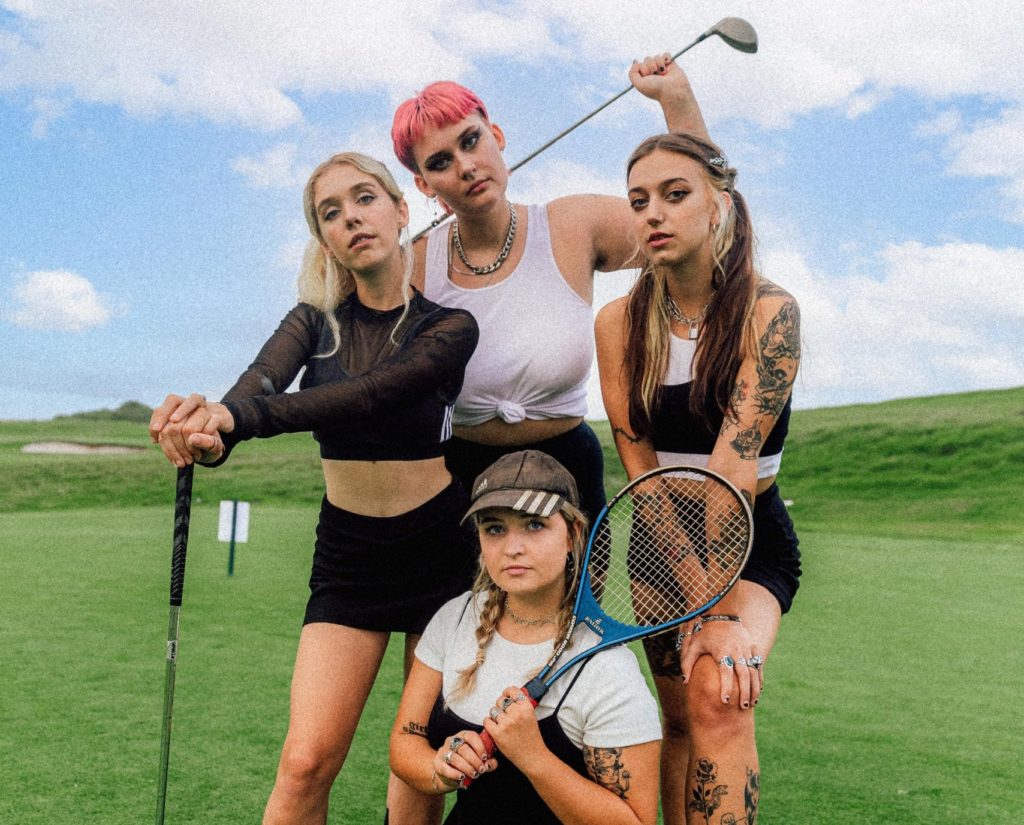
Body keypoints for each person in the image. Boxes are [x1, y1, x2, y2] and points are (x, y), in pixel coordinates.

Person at [148, 151, 480, 825]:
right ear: (324, 239)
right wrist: (201, 429)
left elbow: (370, 396)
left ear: (401, 210)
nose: (351, 217)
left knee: (419, 769)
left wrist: (238, 417)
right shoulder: (310, 322)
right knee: (304, 763)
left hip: (442, 552)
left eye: (364, 198)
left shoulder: (449, 328)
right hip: (350, 556)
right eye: (331, 212)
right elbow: (250, 396)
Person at [389, 55, 710, 528]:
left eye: (471, 141)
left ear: (496, 136)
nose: (466, 166)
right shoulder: (411, 266)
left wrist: (675, 102)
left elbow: (706, 223)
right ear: (424, 184)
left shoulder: (572, 226)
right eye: (440, 162)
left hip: (570, 476)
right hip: (459, 485)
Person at [594, 133, 801, 825]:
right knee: (680, 716)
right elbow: (640, 469)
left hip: (748, 538)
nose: (653, 212)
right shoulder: (617, 323)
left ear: (719, 206)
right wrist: (686, 583)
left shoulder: (768, 312)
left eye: (675, 194)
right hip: (659, 540)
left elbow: (730, 473)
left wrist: (715, 613)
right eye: (639, 201)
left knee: (720, 696)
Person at [390, 450, 662, 825]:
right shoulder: (455, 619)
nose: (512, 547)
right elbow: (405, 743)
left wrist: (534, 757)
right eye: (494, 529)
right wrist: (442, 766)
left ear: (573, 535)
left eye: (534, 525)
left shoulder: (608, 669)